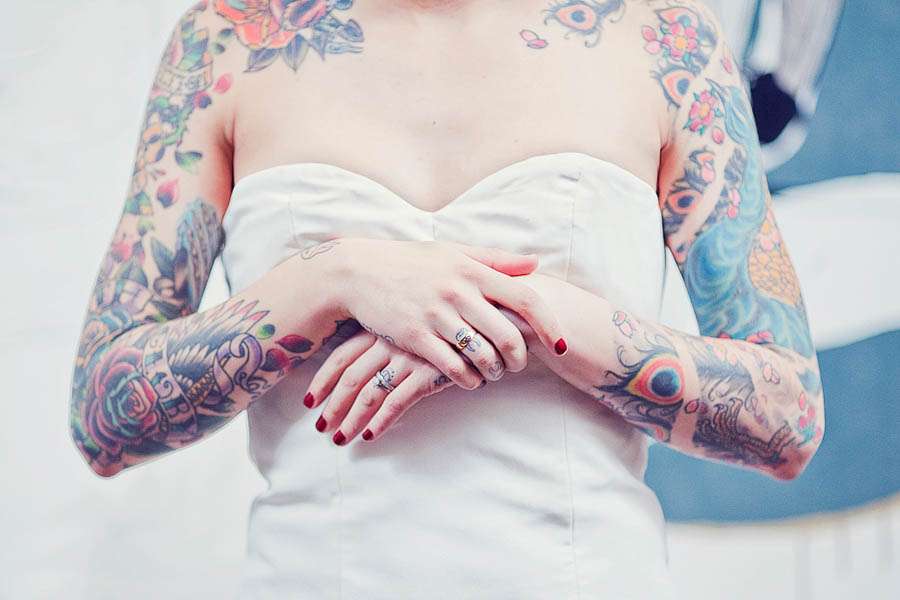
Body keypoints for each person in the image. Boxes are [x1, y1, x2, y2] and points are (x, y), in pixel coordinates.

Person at [69, 0, 824, 597]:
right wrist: (333, 279)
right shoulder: (225, 42)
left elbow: (785, 414)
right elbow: (105, 413)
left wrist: (531, 315)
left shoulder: (665, 41)